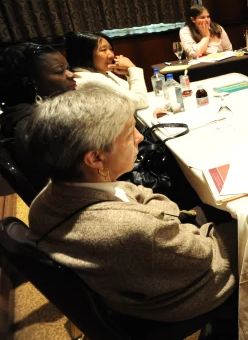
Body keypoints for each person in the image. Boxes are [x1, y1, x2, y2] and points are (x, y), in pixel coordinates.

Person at [23, 83, 237, 322]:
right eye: (129, 133)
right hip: (180, 296)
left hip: (135, 275)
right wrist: (168, 218)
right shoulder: (133, 227)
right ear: (95, 158)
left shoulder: (48, 196)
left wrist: (155, 212)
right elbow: (202, 254)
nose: (139, 137)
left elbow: (139, 192)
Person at [0, 43, 77, 192]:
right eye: (60, 71)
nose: (70, 74)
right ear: (30, 83)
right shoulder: (38, 125)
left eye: (68, 67)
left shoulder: (15, 113)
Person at [65, 32, 149, 110]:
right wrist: (133, 68)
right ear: (85, 55)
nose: (111, 55)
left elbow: (131, 93)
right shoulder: (90, 79)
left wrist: (129, 73)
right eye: (103, 50)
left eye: (110, 49)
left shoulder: (99, 72)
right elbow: (140, 102)